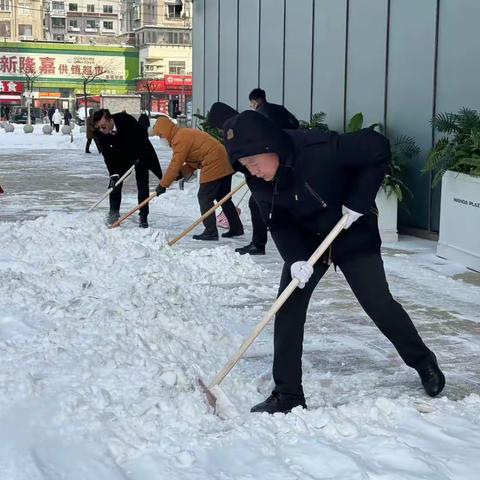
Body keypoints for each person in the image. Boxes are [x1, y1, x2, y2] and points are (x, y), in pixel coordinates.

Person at [222, 110, 446, 414]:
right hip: (307, 242)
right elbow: (278, 222)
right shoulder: (258, 180)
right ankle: (287, 392)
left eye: (253, 163)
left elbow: (377, 147)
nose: (253, 171)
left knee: (378, 303)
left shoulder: (320, 149)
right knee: (287, 306)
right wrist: (295, 259)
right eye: (245, 167)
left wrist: (359, 201)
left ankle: (424, 363)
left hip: (350, 231)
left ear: (268, 146)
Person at [153, 116, 243, 240]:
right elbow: (193, 162)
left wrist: (163, 185)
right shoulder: (182, 134)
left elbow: (175, 164)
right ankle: (236, 227)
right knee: (223, 197)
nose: (161, 139)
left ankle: (210, 231)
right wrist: (179, 174)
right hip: (223, 161)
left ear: (165, 131)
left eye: (160, 135)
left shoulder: (179, 139)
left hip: (214, 162)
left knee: (204, 197)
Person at [93, 109, 163, 228]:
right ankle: (114, 214)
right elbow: (107, 155)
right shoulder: (100, 133)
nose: (101, 130)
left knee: (142, 184)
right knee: (115, 184)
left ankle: (143, 216)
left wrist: (139, 156)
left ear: (110, 120)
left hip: (141, 152)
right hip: (121, 156)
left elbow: (142, 135)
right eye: (99, 127)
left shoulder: (125, 120)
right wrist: (113, 174)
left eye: (103, 127)